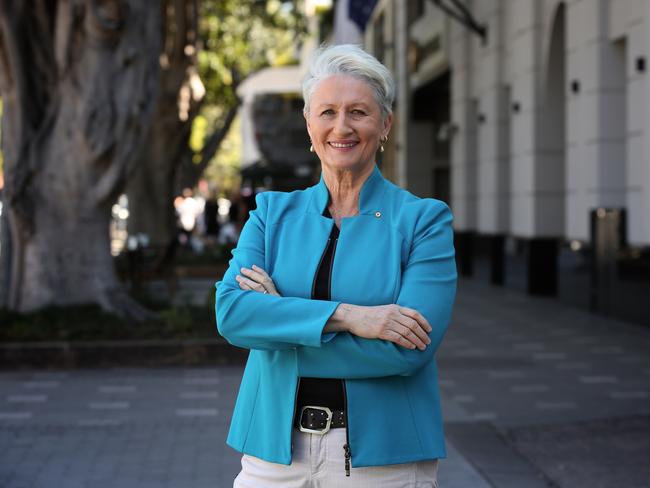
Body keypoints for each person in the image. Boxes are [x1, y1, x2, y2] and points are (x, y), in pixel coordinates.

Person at [215, 44, 457, 487]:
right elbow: (232, 316)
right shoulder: (270, 214)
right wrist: (353, 317)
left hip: (384, 461)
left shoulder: (424, 221)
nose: (341, 126)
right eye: (327, 112)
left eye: (358, 112)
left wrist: (281, 324)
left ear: (385, 124)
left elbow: (407, 349)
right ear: (310, 125)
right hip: (273, 455)